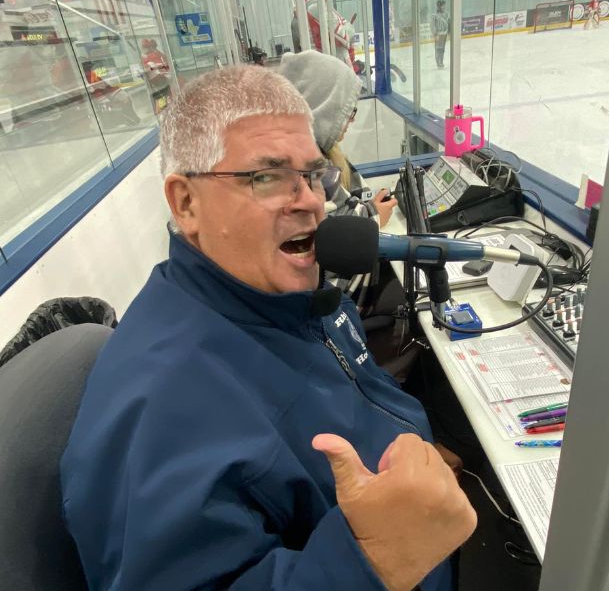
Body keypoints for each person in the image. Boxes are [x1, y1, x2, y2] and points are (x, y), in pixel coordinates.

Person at [60, 65, 476, 590]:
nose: (308, 200)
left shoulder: (284, 298)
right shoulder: (162, 406)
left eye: (311, 174)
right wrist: (373, 560)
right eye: (266, 176)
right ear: (185, 202)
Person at [278, 50, 397, 312]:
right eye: (346, 112)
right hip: (342, 300)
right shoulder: (306, 168)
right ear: (323, 107)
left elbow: (356, 200)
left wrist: (370, 209)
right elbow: (348, 224)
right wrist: (375, 214)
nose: (349, 122)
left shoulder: (329, 154)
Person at [431, 0, 449, 69]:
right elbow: (433, 26)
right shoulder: (434, 15)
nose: (444, 6)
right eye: (443, 5)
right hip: (438, 35)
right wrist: (435, 34)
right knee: (438, 49)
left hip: (444, 34)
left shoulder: (446, 14)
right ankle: (438, 63)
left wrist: (448, 33)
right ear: (439, 6)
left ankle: (441, 61)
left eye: (444, 5)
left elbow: (448, 24)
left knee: (442, 49)